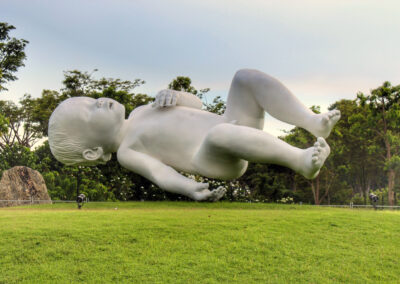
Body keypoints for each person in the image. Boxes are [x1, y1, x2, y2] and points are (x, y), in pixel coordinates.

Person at [49, 69, 340, 201]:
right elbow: (161, 174)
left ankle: (312, 122)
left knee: (244, 78)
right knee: (219, 134)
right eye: (89, 112)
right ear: (91, 152)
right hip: (214, 157)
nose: (97, 102)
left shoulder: (139, 111)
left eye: (89, 99)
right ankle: (299, 160)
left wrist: (175, 95)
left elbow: (196, 105)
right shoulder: (127, 151)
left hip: (233, 123)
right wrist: (190, 188)